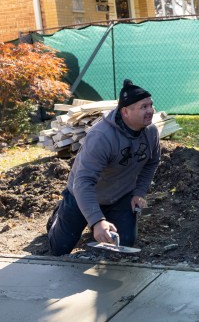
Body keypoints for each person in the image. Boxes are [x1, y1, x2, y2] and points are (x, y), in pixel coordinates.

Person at [47, 79, 160, 255]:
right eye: (143, 107)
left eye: (151, 105)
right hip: (81, 195)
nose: (150, 111)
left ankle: (101, 222)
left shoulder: (151, 132)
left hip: (120, 196)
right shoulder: (101, 137)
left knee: (125, 243)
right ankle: (58, 216)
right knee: (60, 248)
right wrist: (97, 220)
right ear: (125, 112)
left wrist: (139, 193)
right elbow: (83, 182)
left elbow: (152, 162)